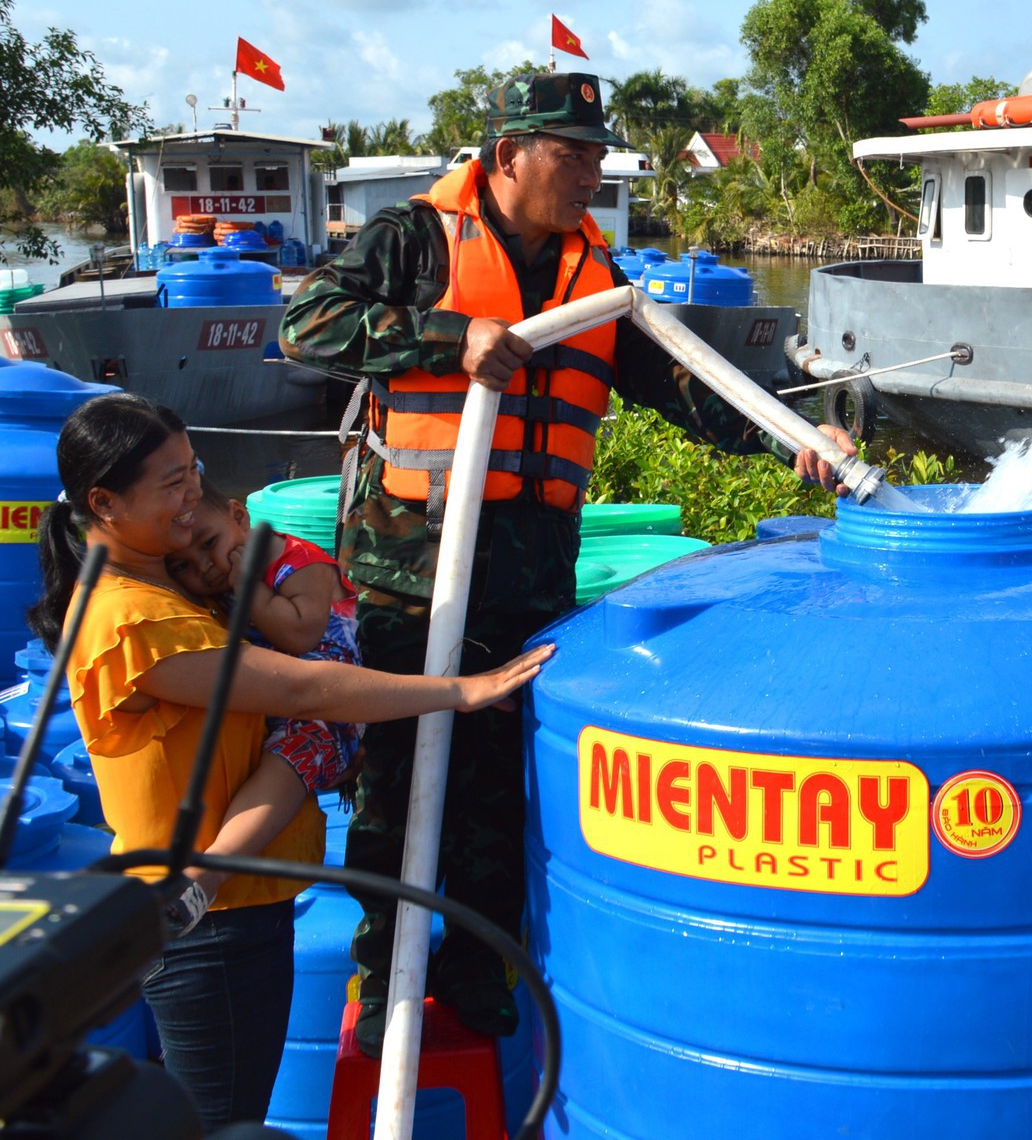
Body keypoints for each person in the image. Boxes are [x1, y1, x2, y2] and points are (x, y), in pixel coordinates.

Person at [280, 70, 852, 1055]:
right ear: (507, 156)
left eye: (598, 155)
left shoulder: (597, 276)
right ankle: (385, 983)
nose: (592, 171)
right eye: (572, 153)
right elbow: (306, 327)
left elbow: (680, 387)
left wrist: (785, 430)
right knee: (397, 781)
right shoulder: (414, 241)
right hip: (413, 572)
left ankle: (473, 969)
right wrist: (450, 335)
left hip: (527, 577)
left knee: (502, 782)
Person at [27, 394, 549, 1129]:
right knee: (219, 1119)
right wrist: (459, 690)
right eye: (170, 483)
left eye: (193, 471)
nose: (189, 496)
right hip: (210, 925)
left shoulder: (165, 582)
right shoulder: (132, 617)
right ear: (104, 502)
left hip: (237, 910)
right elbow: (306, 687)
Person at [162, 479, 363, 924]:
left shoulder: (300, 562)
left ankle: (210, 871)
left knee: (288, 760)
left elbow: (299, 633)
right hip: (274, 694)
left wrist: (248, 587)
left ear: (239, 516)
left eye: (210, 544)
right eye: (183, 566)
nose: (206, 567)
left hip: (330, 702)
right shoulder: (222, 581)